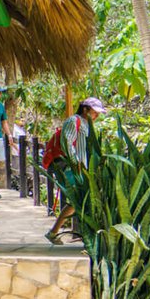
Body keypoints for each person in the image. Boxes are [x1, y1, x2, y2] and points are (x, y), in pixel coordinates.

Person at [44, 97, 106, 244]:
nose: (96, 115)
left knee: (77, 201)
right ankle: (85, 237)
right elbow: (67, 141)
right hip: (70, 166)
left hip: (80, 168)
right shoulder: (74, 121)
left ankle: (54, 232)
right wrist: (75, 162)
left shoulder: (87, 125)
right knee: (79, 200)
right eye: (94, 112)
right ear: (85, 109)